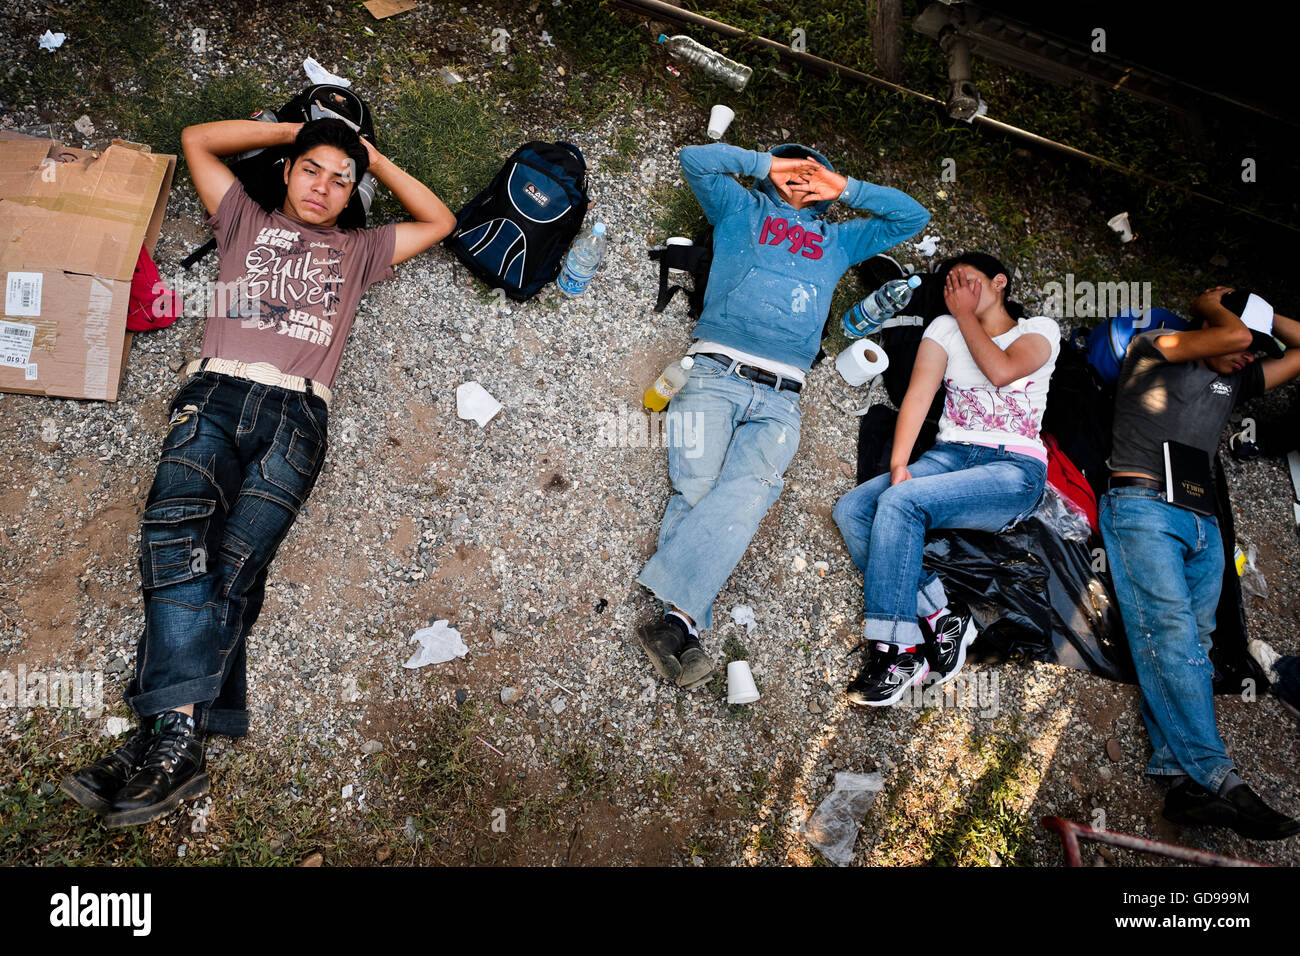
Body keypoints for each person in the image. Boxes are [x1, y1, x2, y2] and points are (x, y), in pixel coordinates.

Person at [60, 117, 457, 827]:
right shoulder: (242, 216)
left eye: (342, 180)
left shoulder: (361, 250)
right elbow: (196, 140)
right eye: (312, 168)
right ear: (285, 169)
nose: (325, 186)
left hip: (299, 417)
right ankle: (177, 740)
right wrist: (294, 128)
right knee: (176, 542)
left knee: (235, 568)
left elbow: (441, 219)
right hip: (215, 393)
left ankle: (157, 738)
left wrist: (371, 157)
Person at [635, 142, 929, 689]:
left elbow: (914, 216)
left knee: (749, 492)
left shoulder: (839, 239)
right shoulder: (738, 208)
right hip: (712, 374)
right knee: (698, 492)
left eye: (811, 171)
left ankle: (676, 621)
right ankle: (681, 626)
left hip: (783, 396)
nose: (800, 177)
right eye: (790, 168)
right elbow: (695, 159)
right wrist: (765, 167)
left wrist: (845, 190)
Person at [1100, 286, 1300, 840]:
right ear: (1210, 324)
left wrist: (1265, 316)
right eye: (1245, 342)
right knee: (1169, 631)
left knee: (1197, 642)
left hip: (1203, 522)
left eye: (1259, 347)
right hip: (1141, 507)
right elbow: (1232, 334)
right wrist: (1216, 306)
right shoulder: (1152, 348)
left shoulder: (1234, 377)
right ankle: (1220, 779)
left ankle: (1180, 782)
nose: (1249, 354)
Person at [833, 253, 1059, 705]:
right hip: (950, 454)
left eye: (968, 282)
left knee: (902, 505)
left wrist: (961, 313)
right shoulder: (942, 329)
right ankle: (942, 613)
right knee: (853, 509)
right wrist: (899, 466)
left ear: (1000, 283)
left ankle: (897, 652)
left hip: (1014, 467)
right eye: (950, 284)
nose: (956, 290)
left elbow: (1002, 370)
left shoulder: (1038, 330)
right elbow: (918, 397)